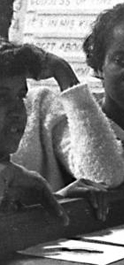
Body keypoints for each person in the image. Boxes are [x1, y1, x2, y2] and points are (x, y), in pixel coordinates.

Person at [14, 0, 124, 199]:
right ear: (99, 65)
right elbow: (101, 176)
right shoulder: (70, 121)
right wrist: (65, 74)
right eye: (120, 61)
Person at [0, 40, 68, 225]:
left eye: (21, 95)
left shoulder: (16, 178)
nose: (17, 111)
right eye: (2, 96)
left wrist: (63, 198)